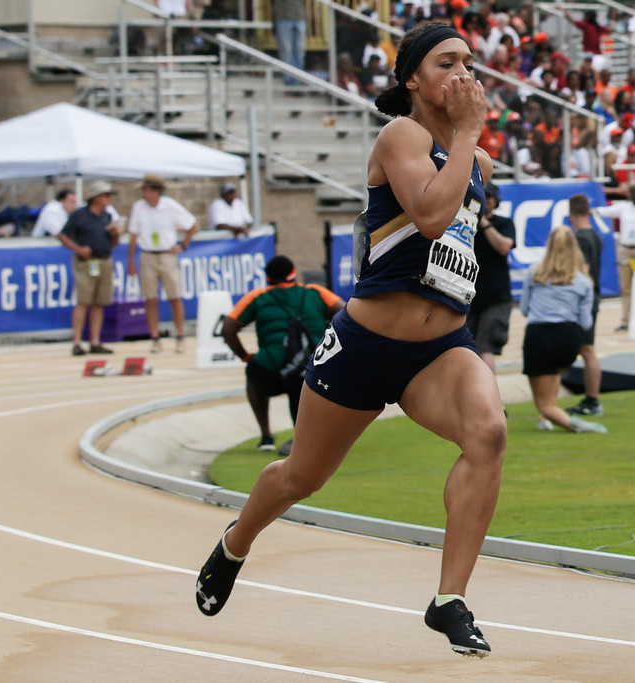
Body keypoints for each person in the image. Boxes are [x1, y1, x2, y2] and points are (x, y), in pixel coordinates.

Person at [194, 22, 505, 658]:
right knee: (300, 478)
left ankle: (449, 599)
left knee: (490, 434)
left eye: (470, 63)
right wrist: (469, 138)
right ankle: (235, 544)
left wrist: (472, 165)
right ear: (412, 78)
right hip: (365, 347)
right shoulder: (401, 135)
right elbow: (429, 213)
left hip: (440, 351)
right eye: (447, 62)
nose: (464, 75)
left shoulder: (475, 156)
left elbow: (457, 232)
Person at [221, 255, 343, 453]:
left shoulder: (258, 296)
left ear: (268, 278)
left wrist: (245, 357)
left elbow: (228, 328)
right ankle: (307, 436)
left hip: (271, 370)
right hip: (313, 368)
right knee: (301, 383)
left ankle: (266, 436)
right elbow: (345, 313)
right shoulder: (314, 292)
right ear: (293, 274)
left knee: (254, 373)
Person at [521, 226, 604, 434]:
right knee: (553, 375)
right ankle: (545, 419)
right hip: (568, 338)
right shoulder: (584, 281)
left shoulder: (534, 272)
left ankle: (574, 424)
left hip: (538, 335)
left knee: (544, 403)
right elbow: (586, 322)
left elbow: (524, 309)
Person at [126, 174, 199, 354]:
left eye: (146, 190)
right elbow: (133, 235)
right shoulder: (139, 208)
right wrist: (130, 260)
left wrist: (183, 245)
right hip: (147, 255)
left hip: (167, 254)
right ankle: (155, 337)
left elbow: (193, 225)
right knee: (150, 299)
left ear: (155, 191)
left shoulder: (170, 206)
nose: (143, 193)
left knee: (174, 297)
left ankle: (180, 336)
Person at [56, 181, 124, 356]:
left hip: (104, 259)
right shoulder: (80, 215)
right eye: (106, 196)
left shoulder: (107, 217)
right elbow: (63, 235)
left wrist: (115, 235)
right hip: (86, 262)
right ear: (96, 198)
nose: (109, 199)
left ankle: (95, 341)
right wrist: (78, 249)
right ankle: (77, 342)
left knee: (100, 303)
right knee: (83, 301)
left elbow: (113, 244)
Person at [596, 181, 635, 332]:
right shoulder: (624, 208)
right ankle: (626, 320)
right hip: (625, 249)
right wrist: (593, 210)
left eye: (634, 192)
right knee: (626, 288)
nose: (630, 195)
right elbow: (607, 211)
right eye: (629, 192)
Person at [467, 183, 515, 374]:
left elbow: (504, 247)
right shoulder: (467, 224)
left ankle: (491, 398)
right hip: (470, 294)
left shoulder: (503, 223)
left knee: (486, 348)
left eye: (491, 198)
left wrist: (484, 222)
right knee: (467, 350)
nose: (488, 202)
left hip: (496, 296)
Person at [565, 194, 604, 417]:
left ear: (571, 216)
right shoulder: (596, 237)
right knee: (586, 349)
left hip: (584, 301)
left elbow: (584, 272)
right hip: (593, 297)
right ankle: (592, 397)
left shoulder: (581, 239)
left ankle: (592, 398)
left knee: (587, 350)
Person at [272, 0, 307, 87]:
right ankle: (288, 80)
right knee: (286, 50)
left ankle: (298, 79)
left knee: (300, 50)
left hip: (300, 17)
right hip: (283, 17)